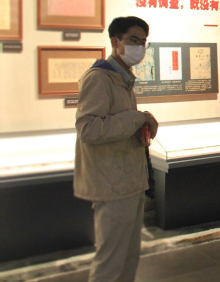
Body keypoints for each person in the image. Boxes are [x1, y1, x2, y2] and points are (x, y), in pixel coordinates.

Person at [74, 16, 158, 282]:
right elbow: (88, 129)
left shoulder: (123, 78)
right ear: (115, 41)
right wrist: (135, 119)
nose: (139, 47)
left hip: (128, 182)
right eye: (133, 40)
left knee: (128, 257)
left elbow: (117, 127)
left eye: (143, 42)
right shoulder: (100, 78)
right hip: (112, 185)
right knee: (111, 261)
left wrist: (143, 123)